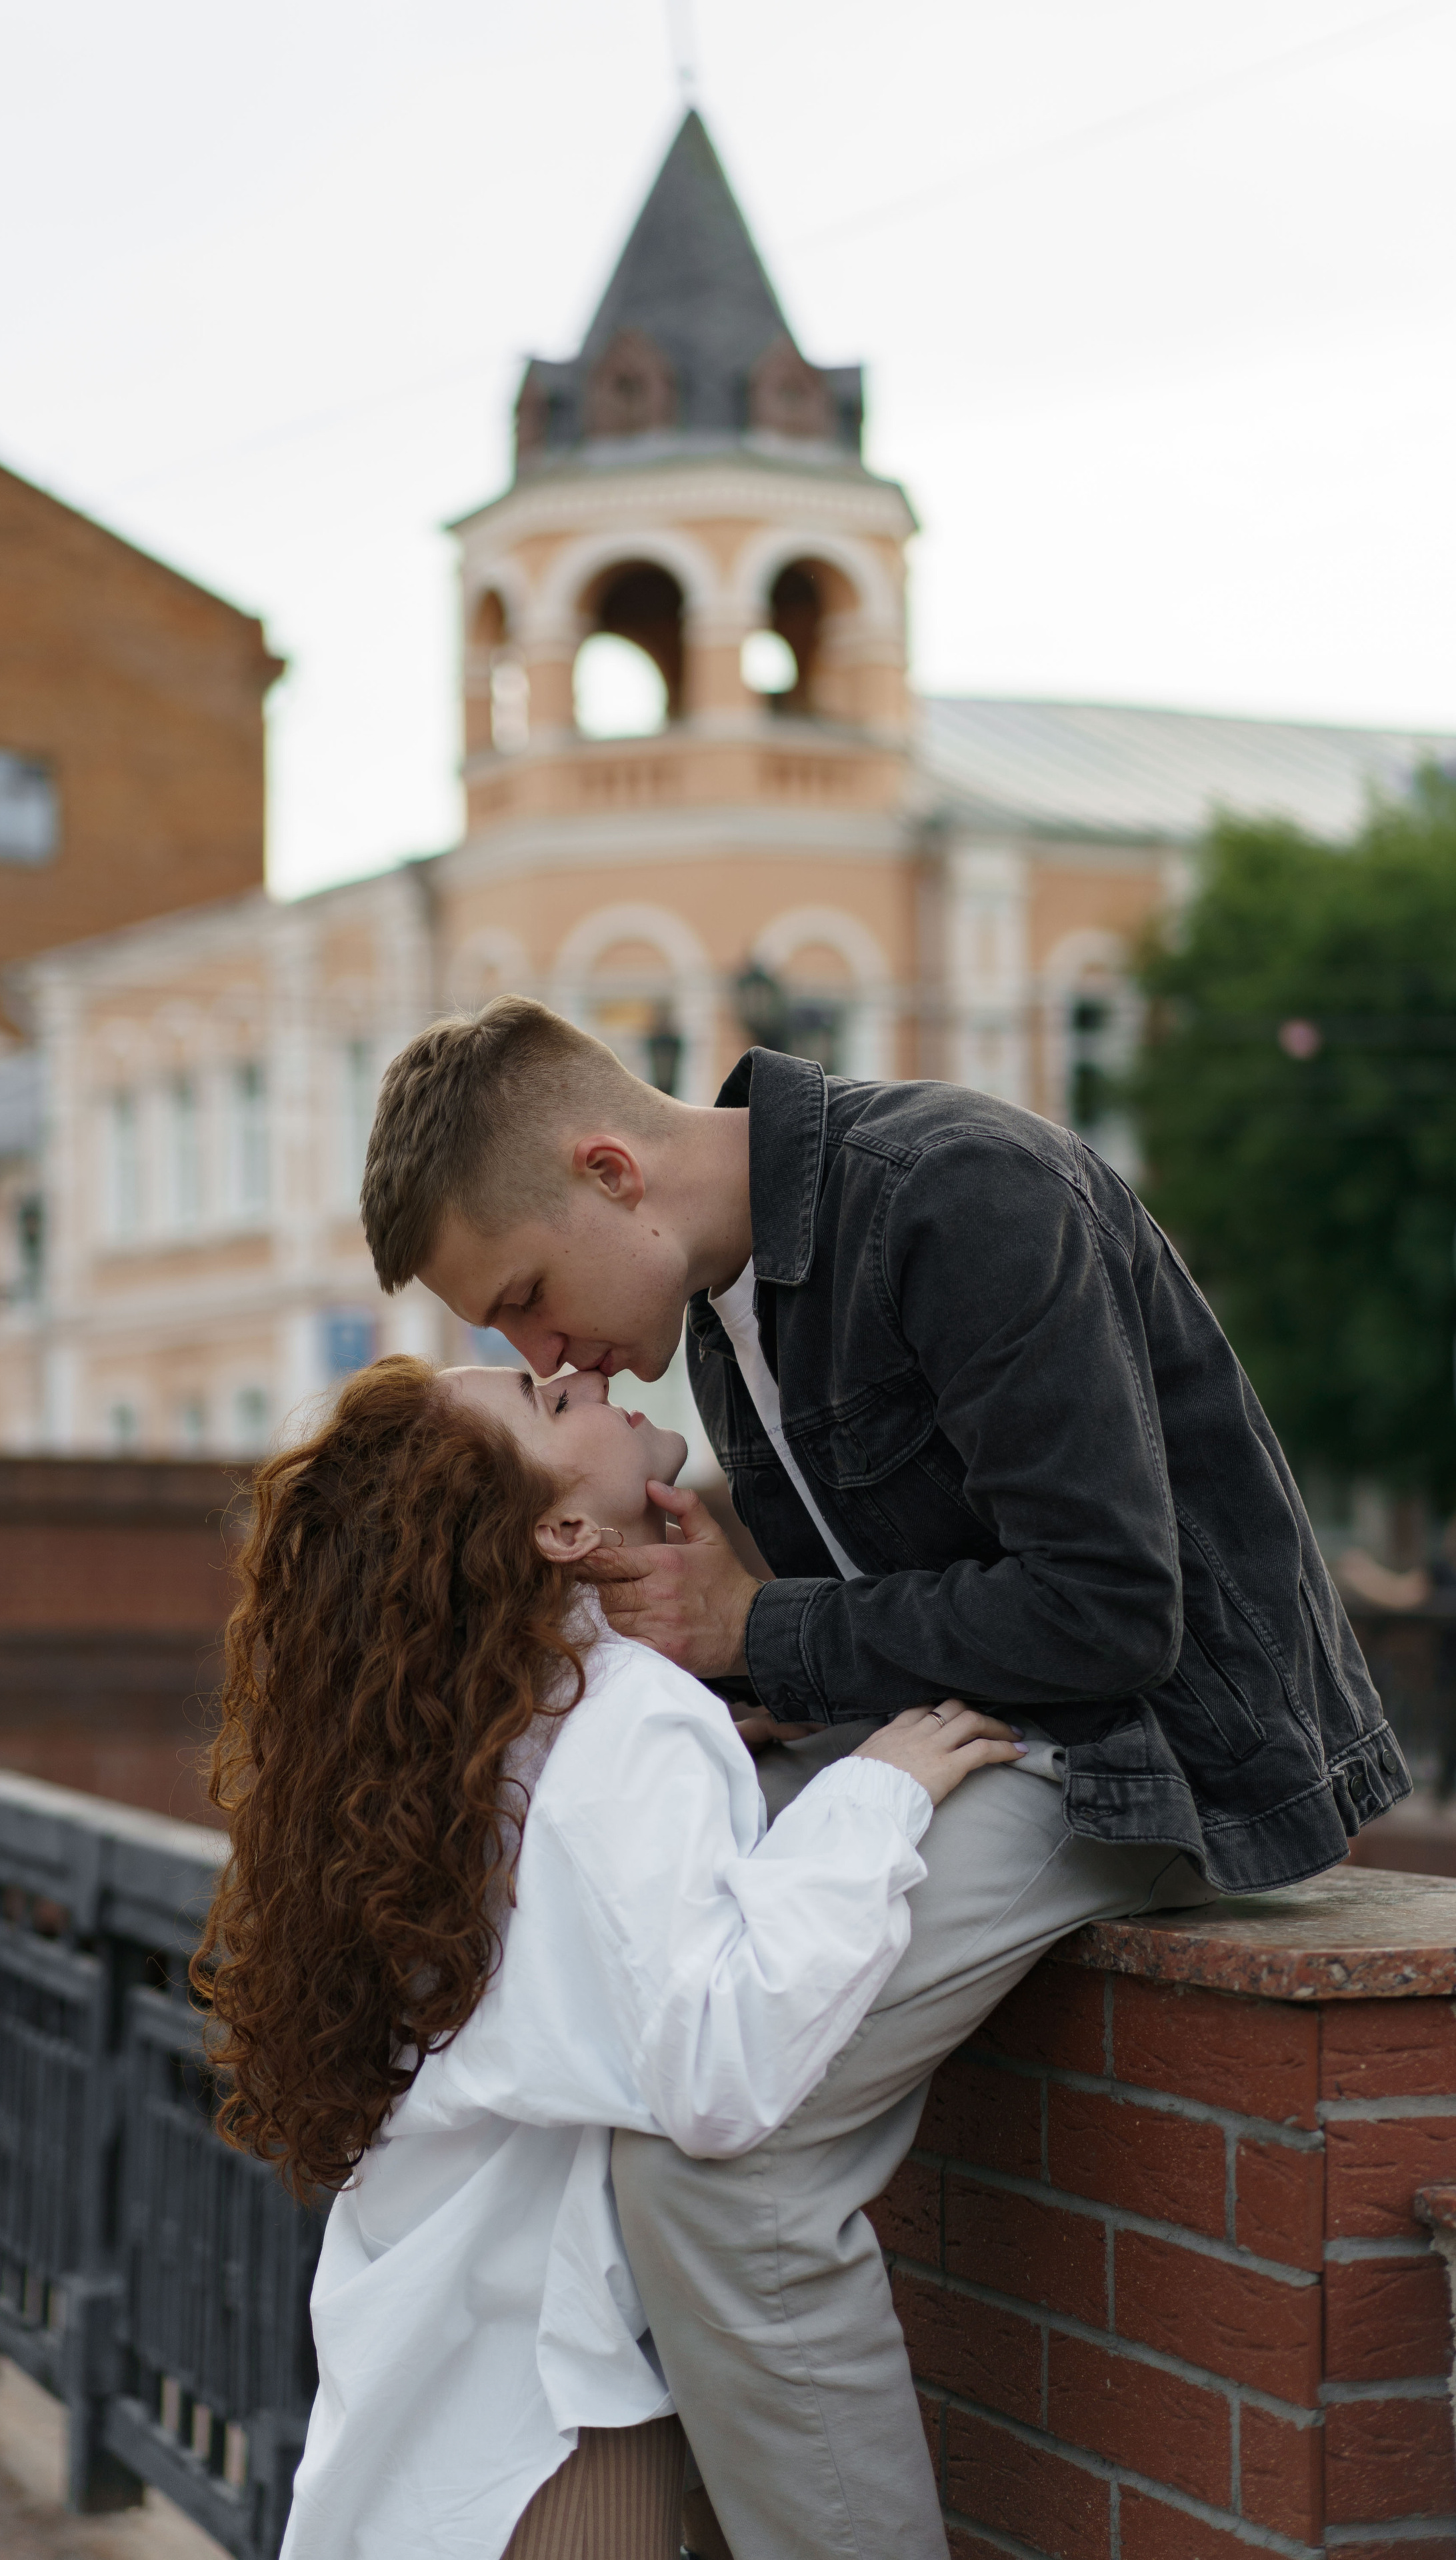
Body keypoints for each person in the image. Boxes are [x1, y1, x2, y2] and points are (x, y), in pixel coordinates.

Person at [360, 995, 1410, 2560]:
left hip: (1141, 1757)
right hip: (969, 1734)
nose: (543, 1355)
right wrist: (763, 1681)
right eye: (504, 1344)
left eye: (524, 1298)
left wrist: (766, 1633)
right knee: (624, 2042)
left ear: (610, 1171)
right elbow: (906, 1564)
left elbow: (1112, 1611)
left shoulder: (952, 1191)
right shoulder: (718, 1291)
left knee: (724, 2164)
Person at [193, 1353, 1024, 2560]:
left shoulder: (475, 1733)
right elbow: (715, 2067)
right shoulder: (629, 1715)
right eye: (545, 1402)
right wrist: (873, 1800)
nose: (576, 1368)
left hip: (439, 2372)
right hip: (549, 2410)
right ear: (565, 1526)